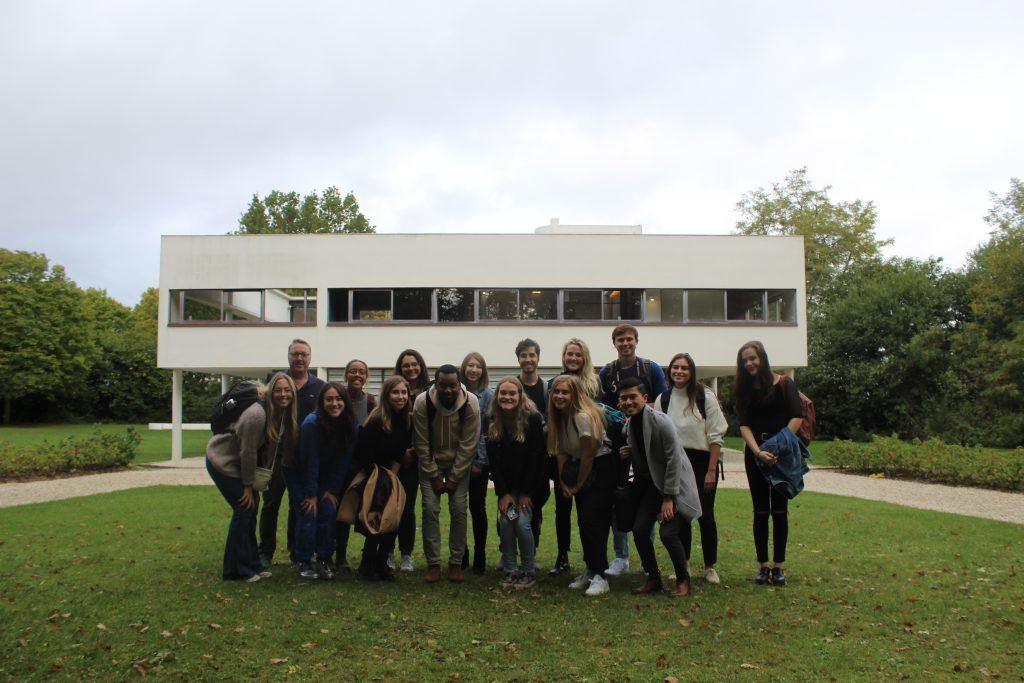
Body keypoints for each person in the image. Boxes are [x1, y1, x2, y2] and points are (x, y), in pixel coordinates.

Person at [205, 374, 296, 581]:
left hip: (238, 465)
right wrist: (248, 486)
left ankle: (252, 563)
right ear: (270, 391)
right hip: (222, 462)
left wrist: (256, 483)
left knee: (250, 509)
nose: (283, 394)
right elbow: (248, 452)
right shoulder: (257, 414)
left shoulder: (279, 413)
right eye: (279, 390)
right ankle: (236, 570)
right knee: (244, 508)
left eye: (287, 390)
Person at [617, 377, 703, 597]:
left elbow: (674, 459)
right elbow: (646, 454)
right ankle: (653, 578)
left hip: (675, 486)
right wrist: (630, 452)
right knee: (639, 530)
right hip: (652, 487)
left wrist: (669, 497)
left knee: (668, 533)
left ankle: (683, 580)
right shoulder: (629, 424)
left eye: (632, 397)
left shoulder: (661, 421)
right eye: (623, 398)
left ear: (644, 398)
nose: (628, 402)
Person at [599, 325, 667, 577]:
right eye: (620, 339)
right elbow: (603, 408)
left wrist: (636, 407)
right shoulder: (607, 372)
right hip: (618, 445)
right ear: (614, 343)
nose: (625, 343)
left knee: (645, 499)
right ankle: (620, 557)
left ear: (636, 341)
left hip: (647, 442)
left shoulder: (651, 369)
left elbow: (663, 403)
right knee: (618, 498)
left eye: (629, 339)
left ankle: (644, 556)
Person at [654, 353, 728, 585]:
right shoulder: (662, 399)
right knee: (683, 515)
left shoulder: (705, 397)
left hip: (702, 462)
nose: (679, 371)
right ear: (670, 371)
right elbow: (657, 433)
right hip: (676, 463)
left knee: (706, 515)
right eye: (675, 367)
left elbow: (716, 435)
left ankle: (709, 567)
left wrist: (711, 470)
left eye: (684, 368)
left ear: (691, 371)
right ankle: (683, 564)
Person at [734, 341, 803, 587]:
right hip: (756, 456)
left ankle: (778, 566)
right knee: (760, 511)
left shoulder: (784, 384)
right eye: (745, 360)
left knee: (780, 511)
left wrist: (775, 448)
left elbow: (797, 416)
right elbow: (743, 425)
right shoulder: (744, 389)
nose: (750, 363)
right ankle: (763, 566)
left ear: (762, 358)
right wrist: (758, 452)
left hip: (781, 455)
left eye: (753, 358)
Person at [259, 339, 325, 568]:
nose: (299, 358)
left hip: (303, 458)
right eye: (295, 354)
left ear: (310, 358)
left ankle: (297, 552)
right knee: (270, 505)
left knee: (298, 507)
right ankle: (265, 552)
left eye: (304, 354)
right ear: (288, 357)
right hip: (276, 456)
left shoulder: (319, 387)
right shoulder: (274, 382)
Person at [412, 364, 481, 583]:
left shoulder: (471, 402)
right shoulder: (423, 402)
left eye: (453, 385)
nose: (448, 390)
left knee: (459, 509)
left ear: (459, 383)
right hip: (430, 461)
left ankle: (455, 563)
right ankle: (433, 564)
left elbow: (470, 444)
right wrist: (433, 475)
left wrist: (454, 477)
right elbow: (421, 442)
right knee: (430, 509)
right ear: (436, 383)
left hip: (458, 463)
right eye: (443, 385)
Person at [548, 374, 614, 597]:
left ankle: (601, 576)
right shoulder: (559, 417)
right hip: (580, 469)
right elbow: (560, 451)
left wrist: (577, 486)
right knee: (584, 522)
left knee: (592, 522)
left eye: (565, 392)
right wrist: (564, 483)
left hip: (600, 468)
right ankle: (591, 568)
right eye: (556, 392)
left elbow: (588, 456)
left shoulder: (583, 417)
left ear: (575, 394)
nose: (559, 396)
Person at [285, 381, 354, 580]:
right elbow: (310, 461)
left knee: (327, 510)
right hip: (299, 472)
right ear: (322, 402)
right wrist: (311, 494)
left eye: (339, 399)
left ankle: (324, 558)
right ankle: (304, 560)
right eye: (329, 399)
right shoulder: (311, 424)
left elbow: (343, 460)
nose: (335, 403)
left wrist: (332, 490)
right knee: (309, 512)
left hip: (324, 475)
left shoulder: (348, 423)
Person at [546, 337, 601, 577]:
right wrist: (565, 479)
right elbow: (556, 432)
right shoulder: (555, 383)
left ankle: (595, 567)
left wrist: (578, 483)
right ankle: (562, 555)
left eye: (578, 354)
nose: (573, 358)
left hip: (590, 454)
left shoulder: (594, 383)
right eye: (569, 354)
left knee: (589, 516)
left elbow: (591, 443)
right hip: (566, 454)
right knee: (562, 509)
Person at [486, 377, 545, 589]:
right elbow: (494, 462)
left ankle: (528, 570)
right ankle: (510, 569)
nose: (507, 397)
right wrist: (503, 493)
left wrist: (527, 493)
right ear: (497, 395)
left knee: (521, 523)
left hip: (532, 486)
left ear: (520, 396)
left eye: (512, 393)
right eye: (503, 393)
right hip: (508, 488)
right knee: (505, 522)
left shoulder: (533, 419)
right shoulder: (492, 419)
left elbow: (537, 458)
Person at [352, 376, 413, 581]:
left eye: (404, 392)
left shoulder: (405, 420)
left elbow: (400, 452)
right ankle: (367, 564)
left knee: (392, 519)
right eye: (395, 392)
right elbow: (363, 454)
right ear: (387, 395)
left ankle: (382, 563)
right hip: (372, 475)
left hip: (391, 476)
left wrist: (391, 480)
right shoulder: (377, 420)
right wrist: (379, 480)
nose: (400, 397)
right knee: (376, 521)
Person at [392, 349, 429, 571]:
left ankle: (406, 554)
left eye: (414, 364)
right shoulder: (394, 390)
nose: (411, 369)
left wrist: (413, 452)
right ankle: (387, 551)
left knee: (408, 508)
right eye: (406, 365)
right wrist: (399, 454)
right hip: (394, 457)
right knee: (390, 505)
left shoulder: (430, 391)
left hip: (417, 460)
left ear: (421, 366)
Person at [460, 352, 493, 574]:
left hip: (479, 460)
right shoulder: (455, 392)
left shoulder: (488, 395)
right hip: (457, 461)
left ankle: (480, 553)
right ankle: (461, 553)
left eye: (478, 366)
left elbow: (486, 431)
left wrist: (479, 461)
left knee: (477, 507)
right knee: (458, 509)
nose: (474, 369)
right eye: (470, 365)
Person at [344, 359, 377, 425]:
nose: (357, 375)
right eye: (353, 371)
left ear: (366, 377)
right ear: (346, 375)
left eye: (362, 373)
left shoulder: (371, 402)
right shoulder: (338, 398)